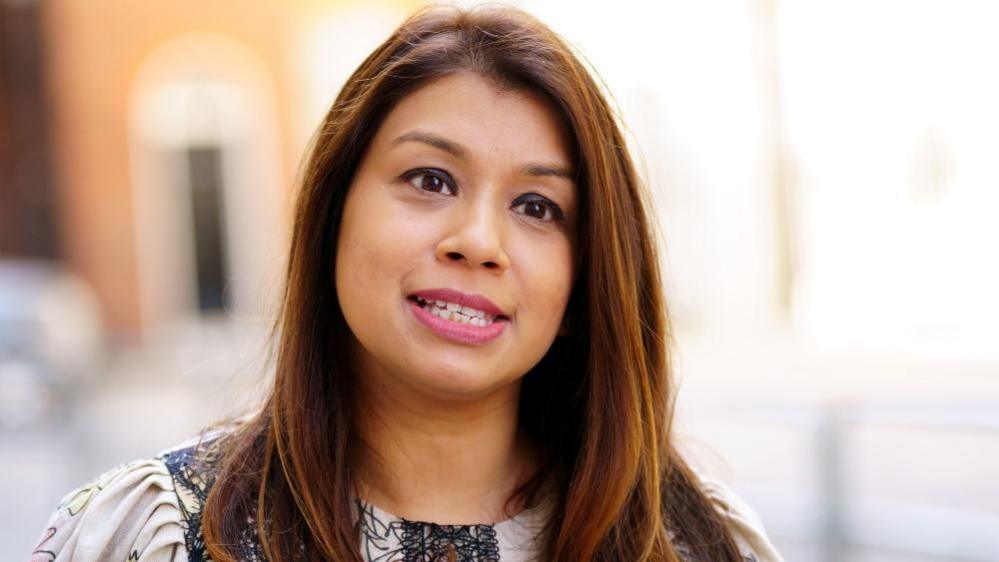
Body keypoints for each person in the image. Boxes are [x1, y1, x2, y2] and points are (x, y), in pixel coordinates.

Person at [31, 5, 784, 562]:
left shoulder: (695, 543)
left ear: (587, 276)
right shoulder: (156, 535)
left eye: (537, 206)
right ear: (334, 213)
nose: (478, 242)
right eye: (429, 179)